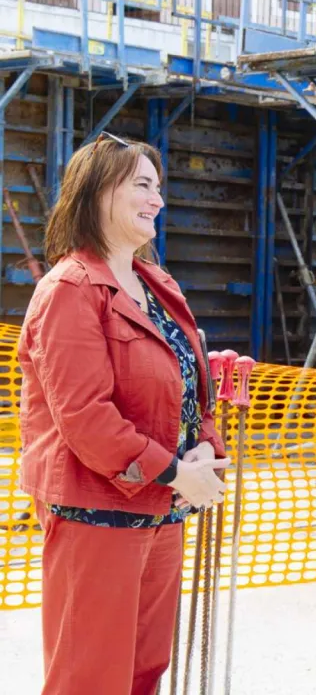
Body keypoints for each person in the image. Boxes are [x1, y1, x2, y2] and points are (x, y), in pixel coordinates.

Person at [17, 132, 230, 695]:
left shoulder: (157, 286)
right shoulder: (70, 289)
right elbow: (86, 417)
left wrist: (204, 447)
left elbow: (191, 388)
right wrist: (176, 472)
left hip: (161, 515)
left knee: (142, 674)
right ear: (97, 193)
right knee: (90, 678)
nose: (157, 199)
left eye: (158, 187)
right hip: (99, 516)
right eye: (141, 185)